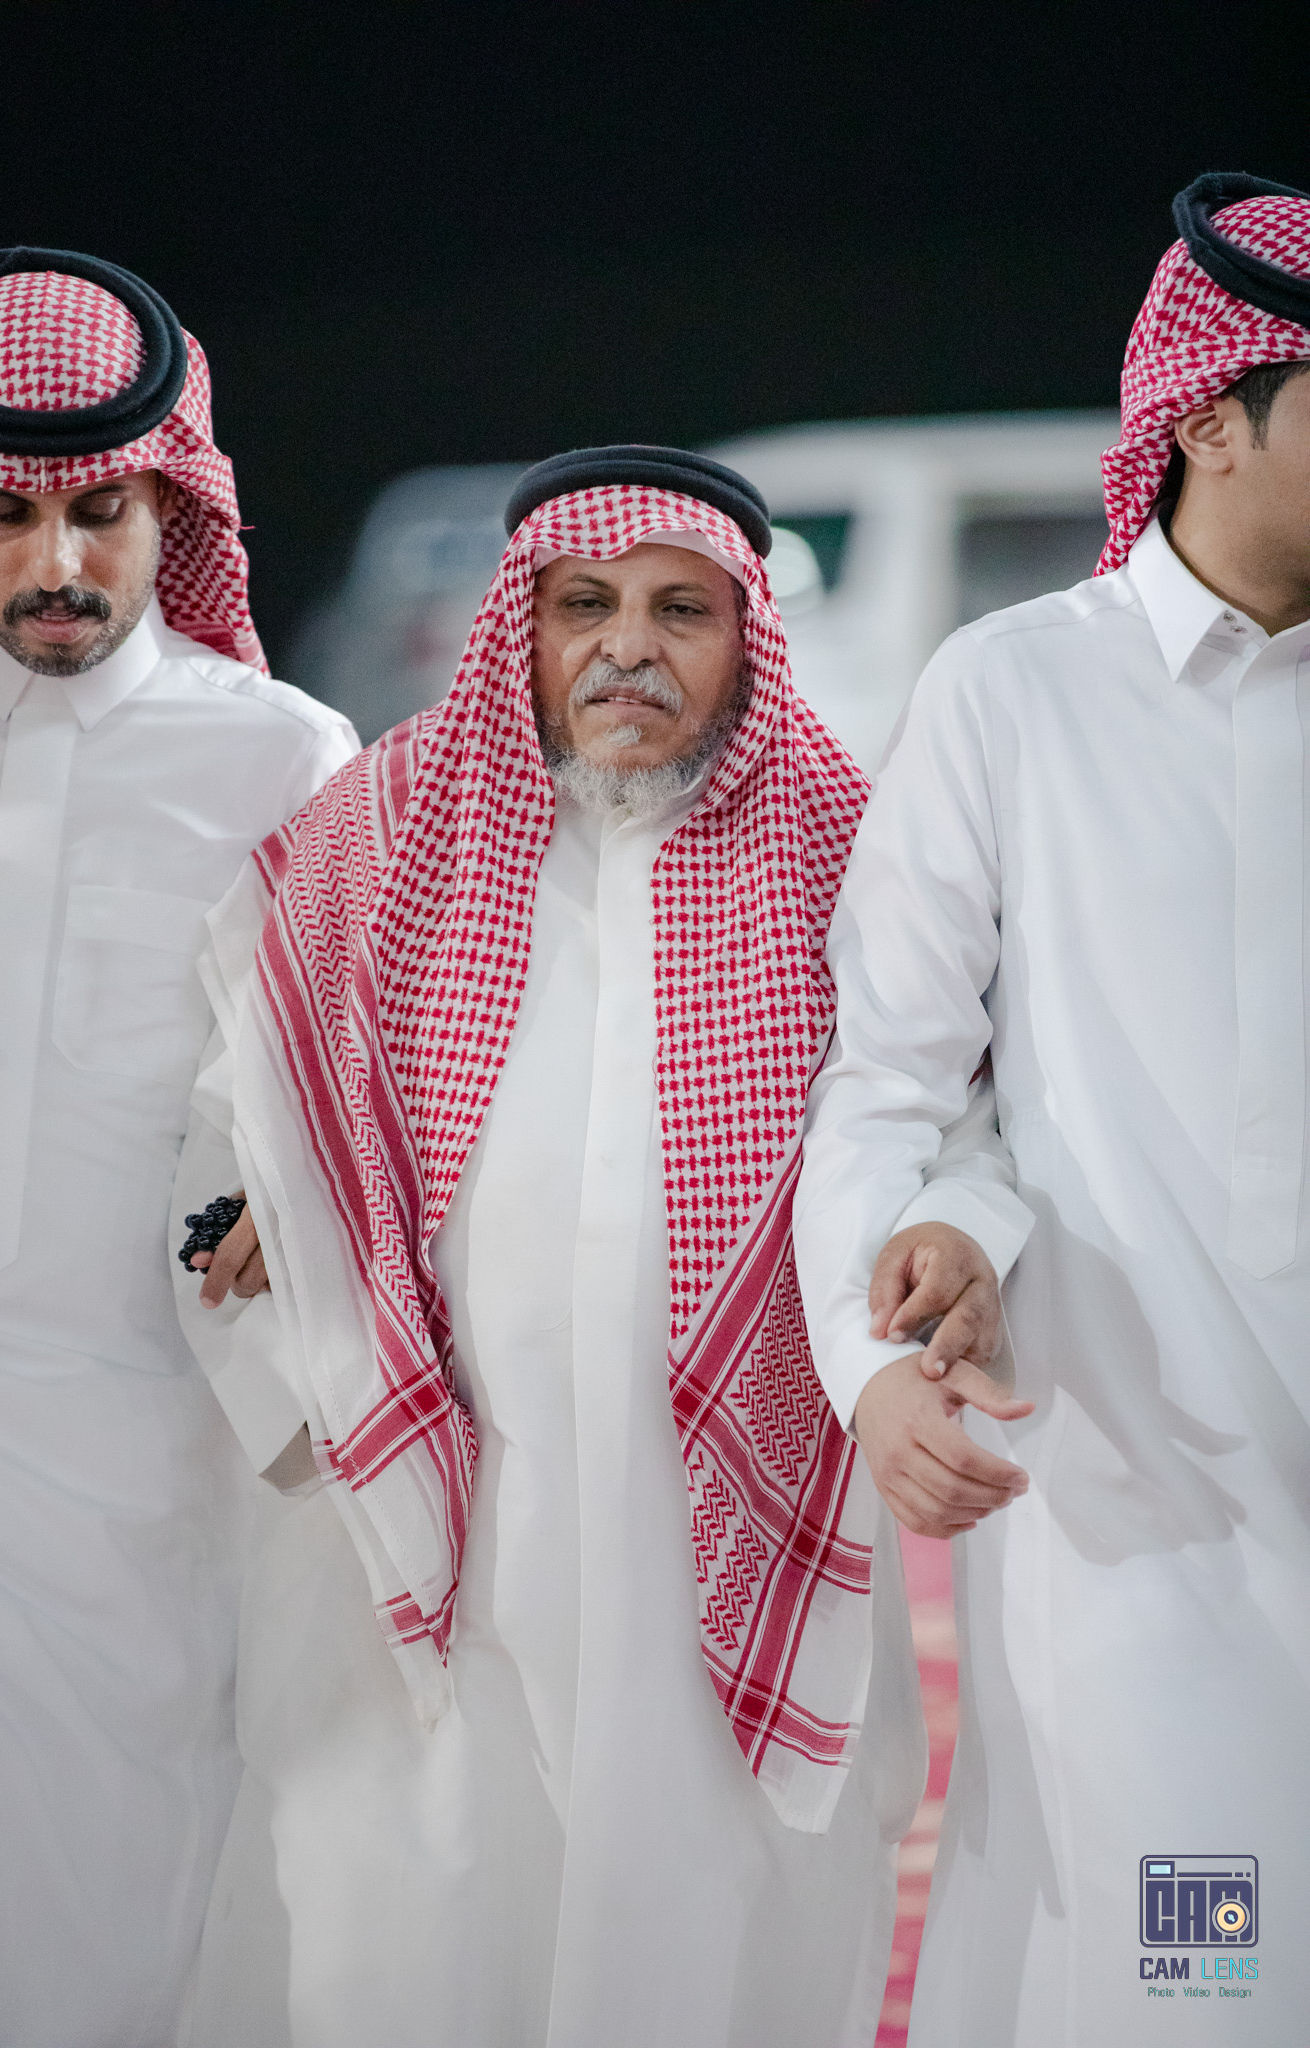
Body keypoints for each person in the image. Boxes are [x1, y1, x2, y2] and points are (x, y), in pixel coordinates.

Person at [174, 446, 1032, 2048]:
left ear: (744, 636)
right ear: (524, 627)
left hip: (720, 1514)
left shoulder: (842, 848)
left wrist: (953, 1226)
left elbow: (956, 1119)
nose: (626, 648)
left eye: (678, 611)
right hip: (445, 1505)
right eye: (585, 605)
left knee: (705, 1931)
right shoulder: (385, 834)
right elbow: (248, 1085)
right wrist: (272, 1204)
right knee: (422, 1918)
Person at [794, 173, 1310, 2045]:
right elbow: (891, 1082)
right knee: (1199, 1992)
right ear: (1209, 419)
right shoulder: (1013, 697)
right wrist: (874, 1368)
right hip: (1142, 1530)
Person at [0, 248, 357, 2048]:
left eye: (102, 512)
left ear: (170, 506)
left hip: (161, 1447)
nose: (57, 561)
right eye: (7, 513)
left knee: (137, 1880)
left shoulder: (282, 760)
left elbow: (355, 1086)